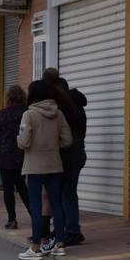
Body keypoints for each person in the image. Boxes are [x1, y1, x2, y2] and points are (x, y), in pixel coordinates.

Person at [16, 79, 72, 260]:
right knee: (56, 203)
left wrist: (19, 140)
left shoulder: (29, 115)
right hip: (55, 164)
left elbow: (23, 142)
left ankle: (35, 247)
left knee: (36, 205)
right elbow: (67, 141)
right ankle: (60, 244)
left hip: (34, 166)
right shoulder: (59, 114)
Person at [44, 68, 88, 247]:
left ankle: (71, 231)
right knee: (68, 192)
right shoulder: (76, 105)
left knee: (64, 193)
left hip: (66, 154)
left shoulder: (61, 108)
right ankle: (68, 228)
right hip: (77, 153)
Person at [0, 84, 31, 230]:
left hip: (5, 156)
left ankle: (12, 219)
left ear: (8, 98)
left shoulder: (3, 114)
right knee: (22, 187)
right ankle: (34, 216)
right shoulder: (26, 112)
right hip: (22, 155)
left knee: (8, 189)